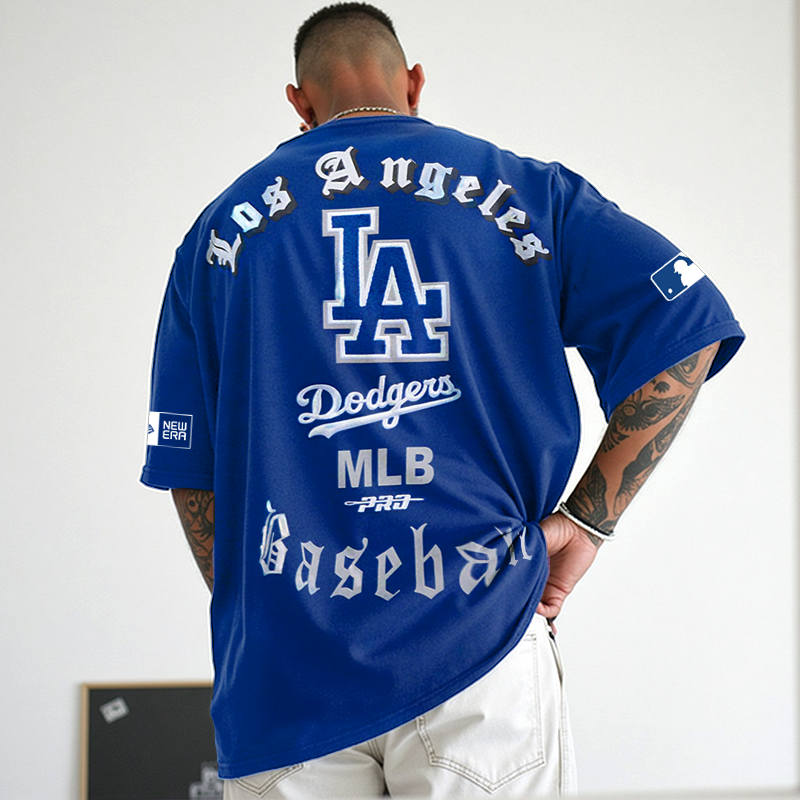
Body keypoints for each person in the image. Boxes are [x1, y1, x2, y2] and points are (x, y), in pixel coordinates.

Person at [140, 4, 744, 798]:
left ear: (299, 102)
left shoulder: (217, 236)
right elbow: (687, 326)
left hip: (288, 675)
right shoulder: (528, 193)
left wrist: (269, 607)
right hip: (478, 642)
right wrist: (590, 519)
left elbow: (190, 466)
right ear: (414, 83)